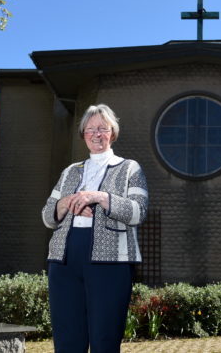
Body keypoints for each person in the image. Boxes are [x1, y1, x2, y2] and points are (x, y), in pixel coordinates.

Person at [41, 104, 148, 353]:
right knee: (67, 341)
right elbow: (48, 216)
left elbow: (138, 211)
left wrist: (99, 197)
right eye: (90, 129)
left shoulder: (130, 168)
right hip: (64, 259)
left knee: (104, 340)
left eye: (103, 128)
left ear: (113, 132)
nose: (96, 134)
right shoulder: (69, 172)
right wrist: (68, 203)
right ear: (83, 134)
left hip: (110, 261)